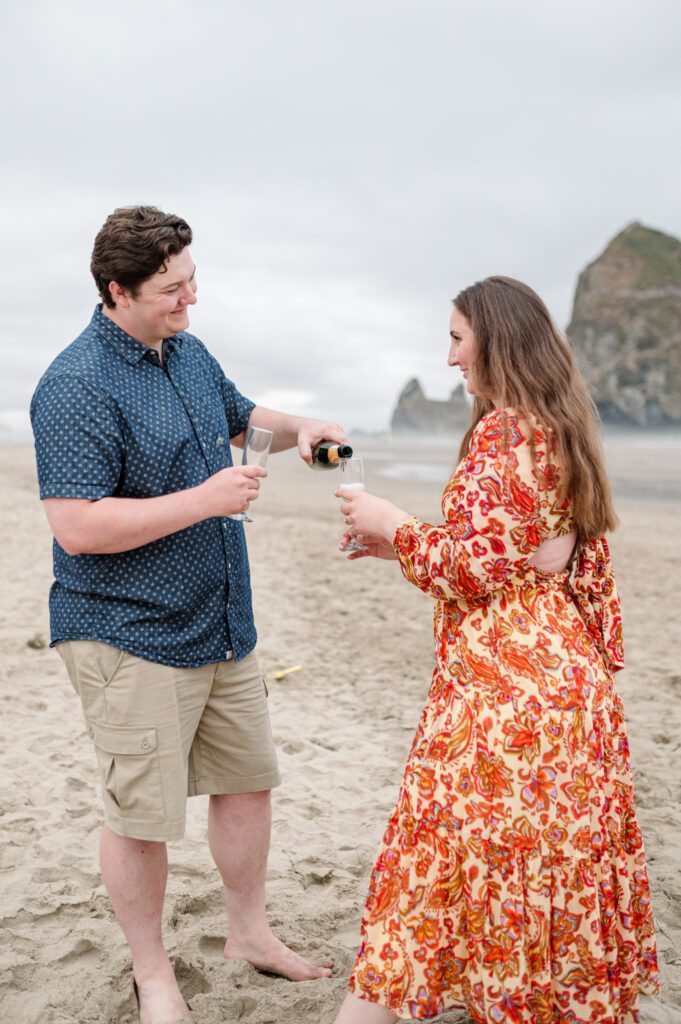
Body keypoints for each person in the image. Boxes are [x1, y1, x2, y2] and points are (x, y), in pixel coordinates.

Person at [30, 205, 346, 1024]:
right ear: (117, 290)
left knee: (247, 784)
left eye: (193, 281)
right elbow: (77, 526)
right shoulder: (74, 385)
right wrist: (204, 501)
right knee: (141, 815)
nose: (190, 300)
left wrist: (300, 429)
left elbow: (244, 419)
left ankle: (249, 936)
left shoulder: (188, 351)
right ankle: (153, 975)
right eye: (172, 289)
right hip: (126, 631)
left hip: (220, 623)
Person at [333, 277, 660, 1023]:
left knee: (427, 869)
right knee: (551, 880)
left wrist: (391, 518)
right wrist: (399, 547)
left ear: (495, 340)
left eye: (456, 337)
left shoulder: (504, 430)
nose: (448, 357)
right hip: (569, 690)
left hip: (501, 694)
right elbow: (527, 556)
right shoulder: (562, 427)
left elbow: (473, 567)